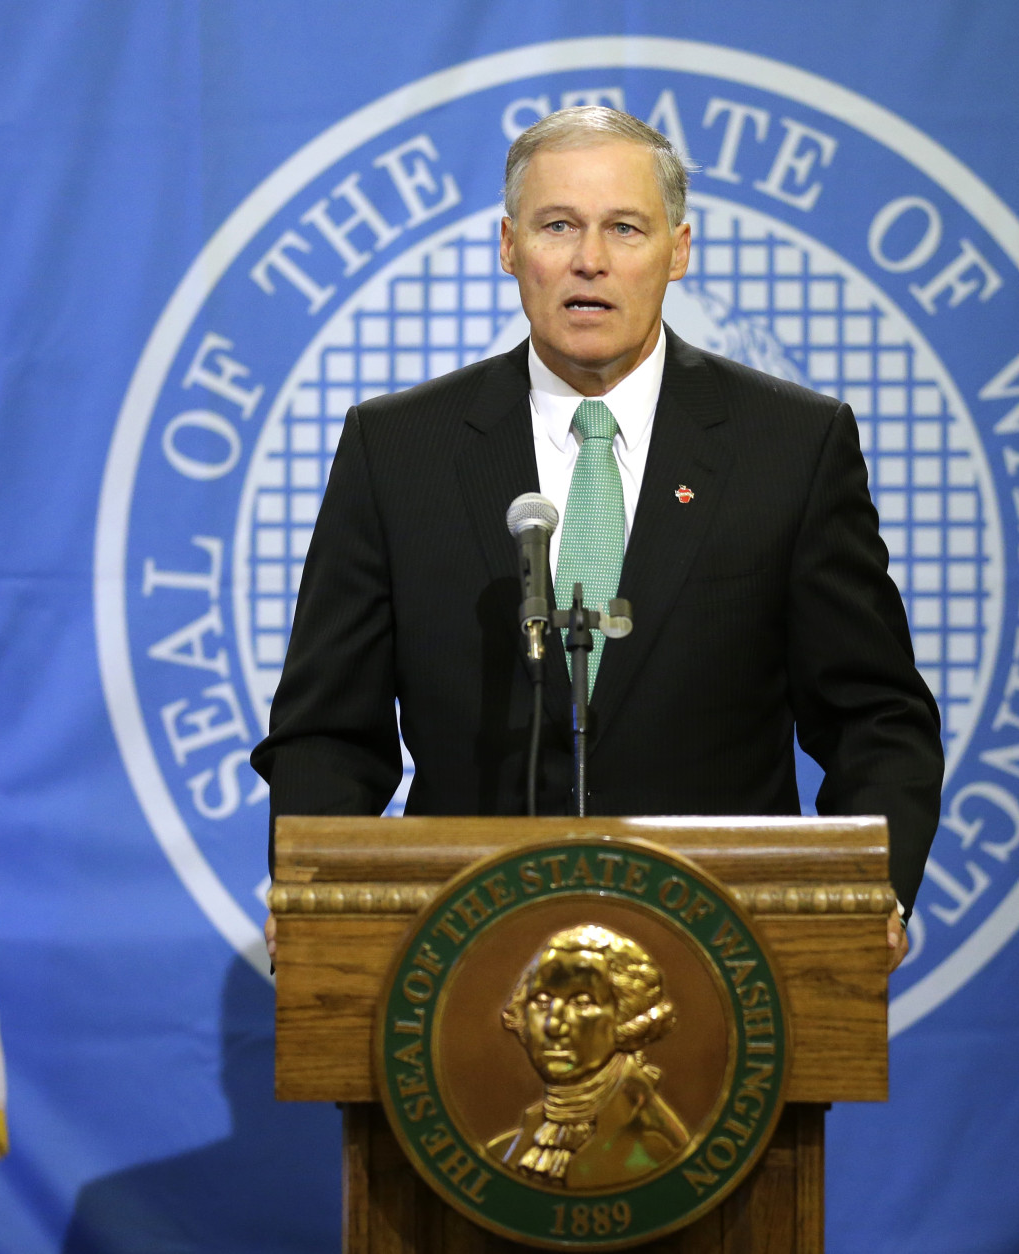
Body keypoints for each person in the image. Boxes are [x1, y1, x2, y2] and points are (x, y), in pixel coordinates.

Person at [252, 107, 942, 966]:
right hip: (461, 959)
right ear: (508, 247)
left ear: (677, 251)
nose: (590, 259)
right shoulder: (398, 451)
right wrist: (318, 892)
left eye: (624, 227)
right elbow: (326, 730)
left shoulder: (789, 447)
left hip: (724, 956)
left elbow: (876, 718)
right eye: (557, 226)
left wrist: (867, 892)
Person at [486, 925, 690, 1188]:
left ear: (626, 1017)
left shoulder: (658, 1148)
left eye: (581, 1002)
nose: (553, 1025)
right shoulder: (501, 1152)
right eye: (542, 1000)